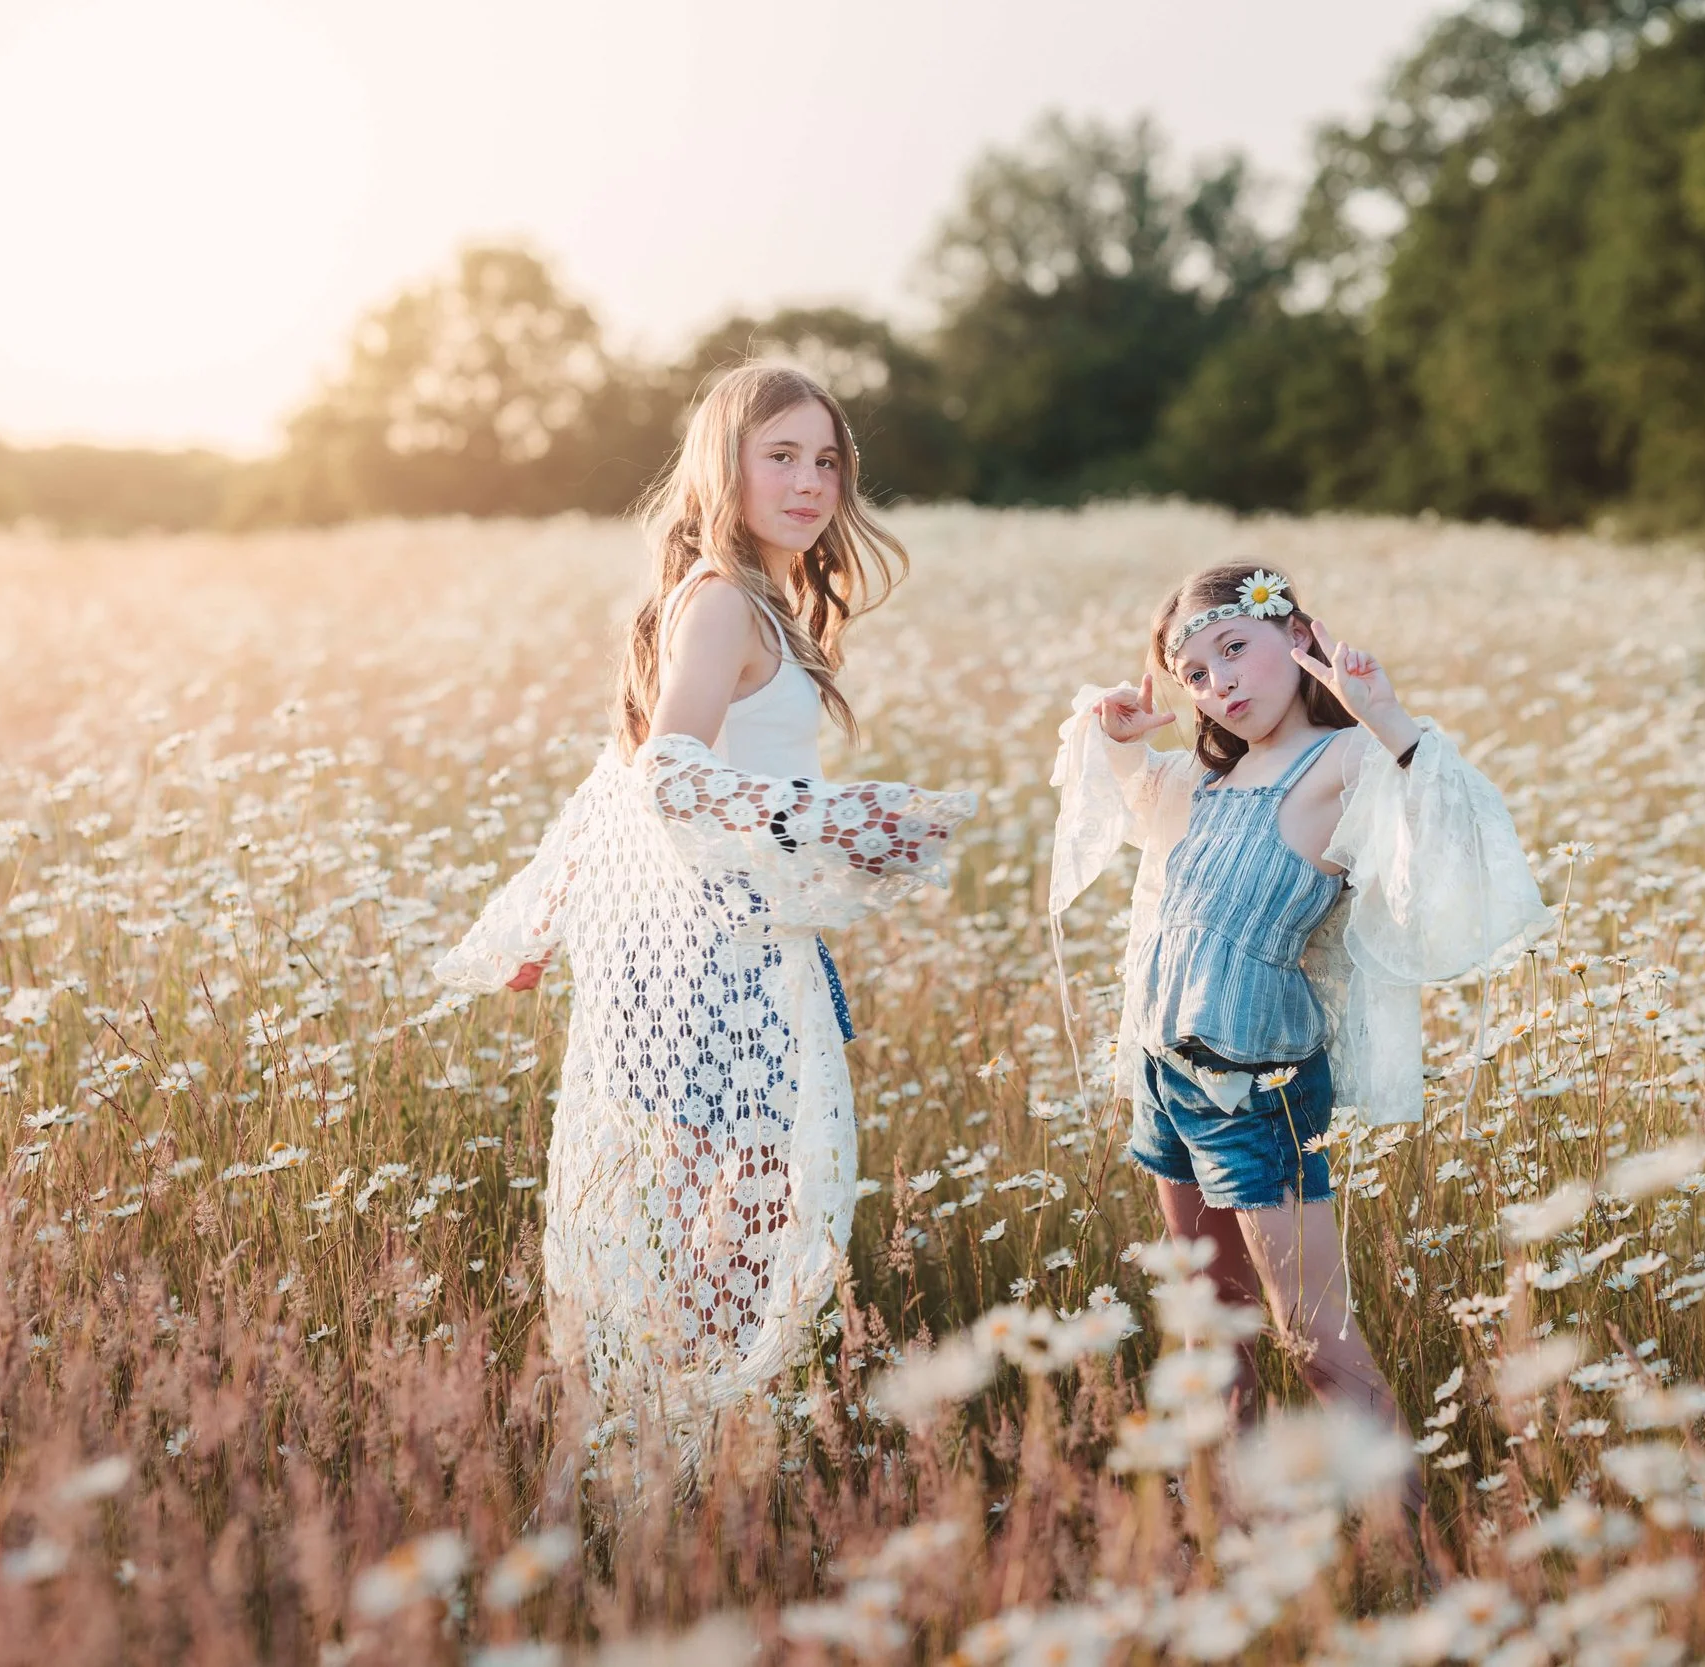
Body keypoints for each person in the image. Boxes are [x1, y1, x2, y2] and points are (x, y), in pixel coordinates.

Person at [435, 364, 975, 1448]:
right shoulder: (724, 599)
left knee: (727, 1236)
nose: (809, 480)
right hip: (709, 973)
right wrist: (849, 819)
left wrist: (543, 913)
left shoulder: (758, 601)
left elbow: (613, 778)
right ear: (721, 465)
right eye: (779, 455)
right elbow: (667, 772)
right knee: (725, 1249)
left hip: (728, 954)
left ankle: (676, 1469)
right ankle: (665, 1475)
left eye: (826, 460)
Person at [1048, 561, 1548, 1445]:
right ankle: (1239, 1541)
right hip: (1170, 1082)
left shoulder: (1346, 759)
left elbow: (1460, 832)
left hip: (1258, 1090)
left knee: (1314, 1339)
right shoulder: (1203, 782)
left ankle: (1415, 1557)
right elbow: (1128, 816)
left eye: (1235, 649)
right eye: (1195, 674)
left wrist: (1382, 714)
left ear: (1298, 634)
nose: (1220, 684)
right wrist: (1123, 740)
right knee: (1213, 1329)